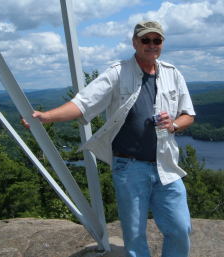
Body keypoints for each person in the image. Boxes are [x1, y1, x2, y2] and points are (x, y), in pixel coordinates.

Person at [24, 20, 195, 257]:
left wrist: (174, 124)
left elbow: (188, 115)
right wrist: (46, 117)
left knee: (180, 228)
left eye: (157, 40)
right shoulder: (118, 72)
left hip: (166, 163)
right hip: (130, 166)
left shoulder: (172, 74)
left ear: (162, 43)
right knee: (134, 235)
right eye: (145, 40)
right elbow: (84, 103)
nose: (151, 45)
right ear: (135, 42)